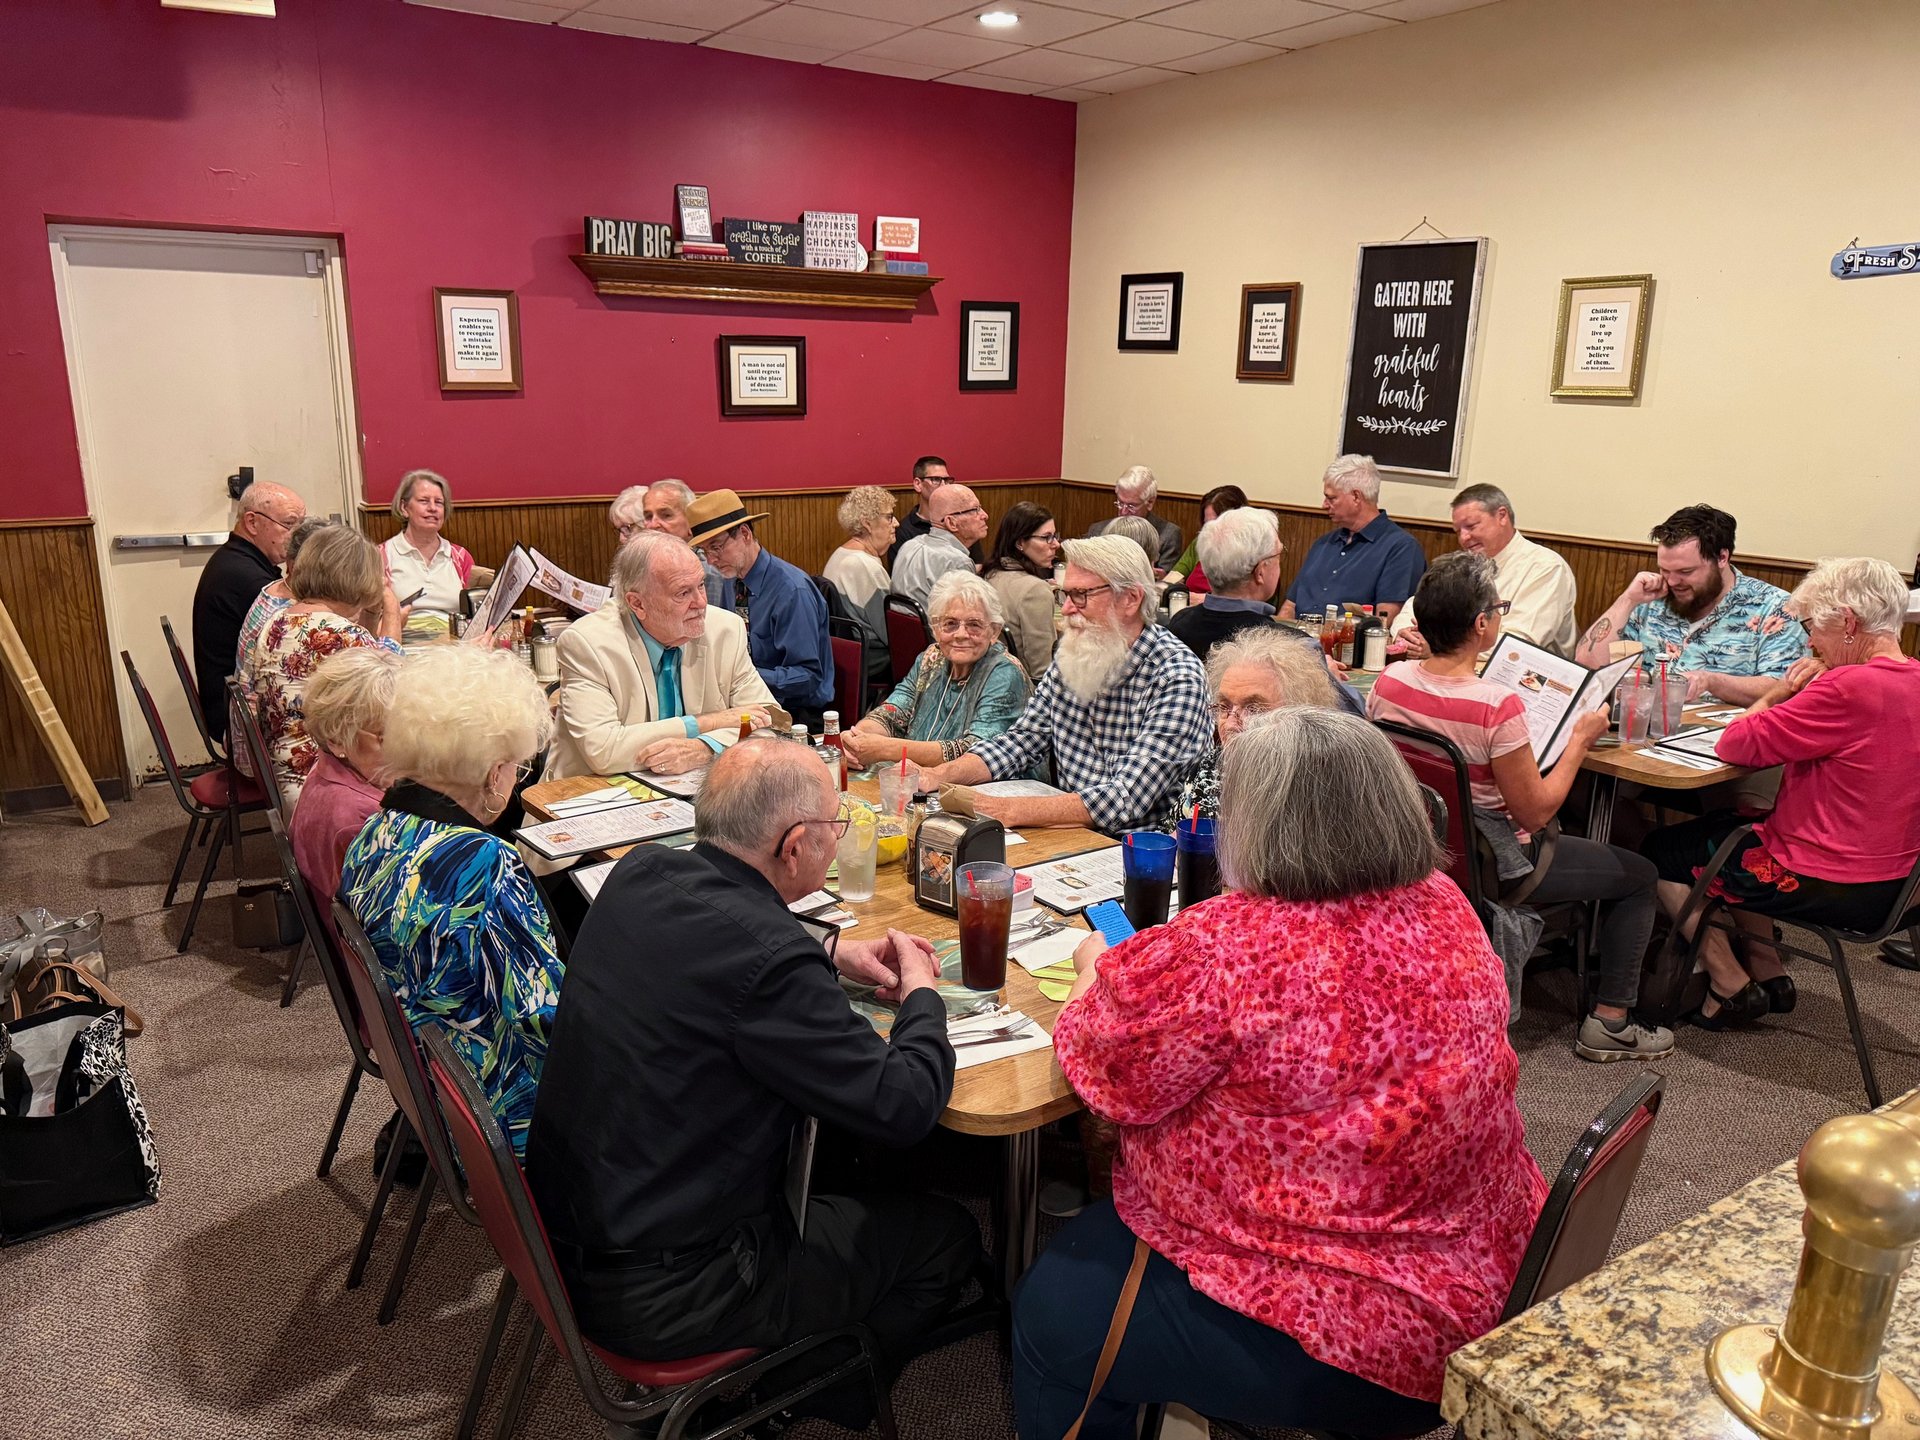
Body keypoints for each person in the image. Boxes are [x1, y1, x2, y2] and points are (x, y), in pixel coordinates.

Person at [1012, 711, 1546, 1440]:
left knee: (1051, 1318)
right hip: (1496, 1268)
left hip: (1353, 1325)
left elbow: (1102, 1070)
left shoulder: (1229, 948)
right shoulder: (1446, 904)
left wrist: (1089, 966)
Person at [524, 739, 980, 1428]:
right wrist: (921, 993)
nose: (837, 838)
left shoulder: (640, 871)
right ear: (794, 847)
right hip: (670, 1287)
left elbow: (725, 941)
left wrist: (828, 948)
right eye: (834, 826)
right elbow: (906, 1104)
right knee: (947, 1237)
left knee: (836, 1158)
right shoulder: (771, 966)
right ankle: (797, 1393)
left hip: (561, 1226)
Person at [1368, 554, 1674, 1061]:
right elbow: (1535, 814)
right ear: (1481, 624)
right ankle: (1611, 1022)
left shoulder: (1391, 680)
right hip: (1494, 862)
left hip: (1420, 845)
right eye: (1497, 608)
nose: (1498, 615)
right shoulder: (1495, 704)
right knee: (1641, 875)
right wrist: (1579, 741)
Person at [1643, 557, 1920, 1027]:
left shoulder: (1846, 686)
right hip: (1900, 882)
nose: (1809, 642)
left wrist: (1778, 692)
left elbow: (1736, 743)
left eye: (1812, 627)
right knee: (1740, 820)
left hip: (1830, 881)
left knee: (1658, 852)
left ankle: (1729, 983)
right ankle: (1769, 970)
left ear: (1848, 623)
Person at [339, 644, 563, 1156]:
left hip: (434, 1093)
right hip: (505, 1117)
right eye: (517, 769)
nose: (515, 780)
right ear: (493, 774)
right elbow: (547, 1022)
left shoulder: (374, 833)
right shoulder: (482, 865)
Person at [918, 536, 1211, 834]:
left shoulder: (1176, 675)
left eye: (1081, 595)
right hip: (1072, 831)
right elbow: (1022, 740)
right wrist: (940, 775)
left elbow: (1126, 797)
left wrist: (1006, 809)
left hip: (1139, 848)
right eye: (1065, 595)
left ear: (1130, 599)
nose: (1068, 609)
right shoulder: (1076, 655)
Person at [547, 532, 774, 780]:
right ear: (637, 604)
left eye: (700, 585)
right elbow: (604, 750)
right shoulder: (587, 643)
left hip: (690, 788)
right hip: (588, 792)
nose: (700, 603)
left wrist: (705, 747)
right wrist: (707, 723)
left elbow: (769, 719)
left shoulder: (725, 630)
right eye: (682, 593)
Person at [1574, 503, 1806, 704]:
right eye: (1665, 570)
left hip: (1724, 736)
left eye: (1686, 572)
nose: (1673, 581)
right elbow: (1586, 664)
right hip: (1640, 726)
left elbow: (1784, 688)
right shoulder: (1651, 598)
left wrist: (1711, 681)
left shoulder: (1775, 607)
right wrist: (1627, 600)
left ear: (1722, 558)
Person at [247, 527, 404, 808]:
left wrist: (370, 612)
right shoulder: (340, 633)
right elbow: (390, 683)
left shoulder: (278, 620)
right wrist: (390, 607)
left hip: (283, 769)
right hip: (322, 778)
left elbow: (362, 661)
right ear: (359, 579)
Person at [1167, 508, 1366, 716]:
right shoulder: (1295, 647)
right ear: (1260, 572)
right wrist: (1328, 679)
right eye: (1278, 554)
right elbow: (1354, 718)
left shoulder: (1178, 625)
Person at [840, 572, 1029, 770]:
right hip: (922, 778)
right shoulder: (931, 658)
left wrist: (885, 748)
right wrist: (858, 738)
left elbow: (977, 753)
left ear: (994, 631)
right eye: (950, 624)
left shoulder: (1004, 673)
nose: (961, 634)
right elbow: (892, 713)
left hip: (986, 785)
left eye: (974, 625)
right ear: (935, 628)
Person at [687, 488, 834, 728]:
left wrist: (742, 675)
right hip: (748, 701)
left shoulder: (792, 590)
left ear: (745, 534)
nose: (711, 560)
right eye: (704, 551)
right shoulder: (732, 580)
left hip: (798, 714)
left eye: (716, 547)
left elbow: (808, 677)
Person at [1174, 626, 1340, 821]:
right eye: (1224, 706)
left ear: (1300, 712)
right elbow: (1169, 834)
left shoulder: (1320, 788)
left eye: (1253, 709)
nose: (1230, 725)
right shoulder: (1212, 768)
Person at [1391, 484, 1577, 657]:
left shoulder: (1546, 567)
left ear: (1502, 516)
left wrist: (1438, 648)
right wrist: (1408, 636)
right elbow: (1413, 608)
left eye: (1471, 526)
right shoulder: (1462, 564)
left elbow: (1518, 646)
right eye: (1458, 531)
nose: (1464, 538)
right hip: (1455, 669)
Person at [190, 480, 307, 746]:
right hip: (239, 722)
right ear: (252, 522)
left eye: (302, 525)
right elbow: (295, 645)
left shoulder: (237, 559)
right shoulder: (247, 578)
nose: (299, 537)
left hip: (237, 705)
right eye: (290, 524)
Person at [289, 646, 400, 921]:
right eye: (386, 737)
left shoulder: (325, 770)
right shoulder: (363, 819)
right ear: (338, 739)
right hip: (359, 941)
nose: (404, 747)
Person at [230, 517, 332, 775]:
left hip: (255, 739)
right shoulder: (293, 614)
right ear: (297, 564)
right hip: (269, 756)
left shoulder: (273, 592)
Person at [1280, 454, 1426, 624]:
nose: (1324, 505)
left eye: (1331, 498)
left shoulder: (1401, 548)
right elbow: (1289, 606)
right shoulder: (1323, 543)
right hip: (1295, 636)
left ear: (1356, 496)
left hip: (1347, 639)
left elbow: (1384, 623)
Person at [610, 478, 731, 609]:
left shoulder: (708, 571)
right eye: (648, 517)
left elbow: (709, 620)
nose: (653, 525)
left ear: (690, 522)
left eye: (666, 515)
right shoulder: (646, 564)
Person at [380, 469, 474, 617]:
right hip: (401, 631)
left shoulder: (461, 557)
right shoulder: (381, 556)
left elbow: (476, 612)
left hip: (456, 630)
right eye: (424, 501)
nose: (432, 508)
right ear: (404, 508)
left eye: (439, 502)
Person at [984, 502, 1061, 680]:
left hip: (990, 678)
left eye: (1055, 536)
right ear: (1020, 543)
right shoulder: (1035, 590)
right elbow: (1041, 669)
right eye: (1047, 537)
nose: (1056, 544)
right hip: (1022, 686)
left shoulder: (989, 575)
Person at [891, 483, 988, 610]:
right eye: (975, 510)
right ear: (951, 523)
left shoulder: (909, 546)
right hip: (933, 623)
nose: (985, 515)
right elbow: (966, 615)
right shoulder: (958, 562)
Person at [822, 485, 898, 636]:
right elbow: (891, 632)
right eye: (889, 517)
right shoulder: (865, 566)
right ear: (867, 523)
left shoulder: (839, 553)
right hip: (871, 649)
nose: (896, 523)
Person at [1087, 465, 1182, 573]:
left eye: (1131, 506)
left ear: (1150, 502)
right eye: (1120, 503)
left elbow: (1165, 579)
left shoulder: (1168, 534)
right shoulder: (1097, 530)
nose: (1123, 512)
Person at [1163, 484, 1247, 593]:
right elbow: (1176, 575)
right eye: (1207, 525)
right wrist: (1165, 584)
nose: (1210, 532)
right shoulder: (1200, 542)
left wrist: (1201, 599)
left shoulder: (1249, 552)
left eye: (1216, 524)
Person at [886, 454, 954, 568]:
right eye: (936, 479)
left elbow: (976, 565)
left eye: (947, 480)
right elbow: (900, 574)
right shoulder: (903, 531)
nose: (944, 486)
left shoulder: (959, 520)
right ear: (918, 484)